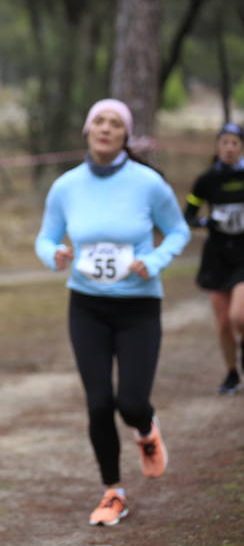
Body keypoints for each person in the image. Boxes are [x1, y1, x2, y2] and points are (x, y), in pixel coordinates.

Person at [34, 99, 190, 527]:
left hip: (139, 305)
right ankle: (113, 492)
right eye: (98, 121)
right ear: (87, 130)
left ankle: (145, 428)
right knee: (99, 403)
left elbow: (178, 230)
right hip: (87, 306)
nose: (105, 128)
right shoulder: (66, 186)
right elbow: (45, 239)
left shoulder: (148, 184)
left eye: (115, 123)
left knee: (132, 401)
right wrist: (57, 254)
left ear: (126, 134)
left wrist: (154, 262)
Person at [184, 122, 244, 394]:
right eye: (225, 143)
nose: (229, 148)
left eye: (235, 143)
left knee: (238, 317)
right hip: (218, 255)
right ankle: (232, 373)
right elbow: (189, 215)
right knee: (222, 323)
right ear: (218, 147)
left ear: (241, 147)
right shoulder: (206, 180)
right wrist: (208, 220)